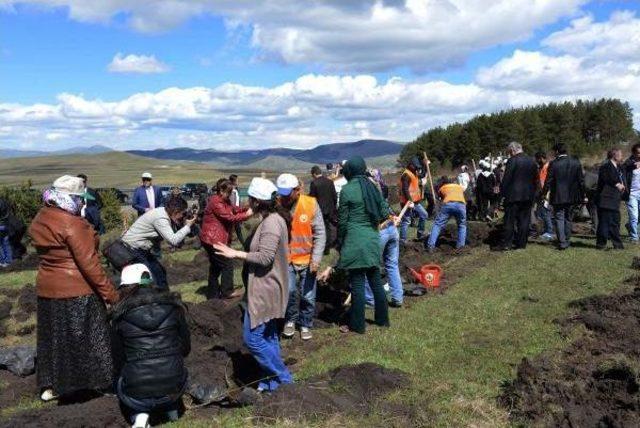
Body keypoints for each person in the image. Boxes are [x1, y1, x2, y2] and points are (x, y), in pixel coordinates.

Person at [28, 175, 120, 402]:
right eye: (80, 199)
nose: (83, 204)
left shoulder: (42, 216)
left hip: (47, 287)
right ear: (69, 198)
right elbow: (90, 265)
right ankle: (101, 384)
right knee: (92, 338)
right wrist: (111, 294)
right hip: (77, 289)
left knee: (53, 339)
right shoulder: (74, 224)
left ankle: (51, 386)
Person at [213, 177, 293, 392]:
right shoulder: (271, 219)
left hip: (266, 288)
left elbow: (265, 257)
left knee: (253, 339)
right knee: (268, 335)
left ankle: (284, 378)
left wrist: (235, 253)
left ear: (256, 201)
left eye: (250, 199)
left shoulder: (271, 224)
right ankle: (272, 382)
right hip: (268, 286)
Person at [112, 264, 190, 428]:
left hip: (136, 391)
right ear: (150, 281)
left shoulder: (119, 315)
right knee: (169, 369)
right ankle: (171, 410)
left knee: (123, 379)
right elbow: (185, 348)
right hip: (174, 385)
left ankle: (140, 416)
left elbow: (117, 359)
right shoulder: (174, 307)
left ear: (125, 286)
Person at [335, 156, 389, 334]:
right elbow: (383, 212)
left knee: (357, 283)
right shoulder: (373, 187)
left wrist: (340, 240)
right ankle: (382, 320)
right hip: (372, 238)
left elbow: (342, 221)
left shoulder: (347, 190)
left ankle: (357, 325)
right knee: (375, 281)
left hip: (355, 240)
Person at [277, 173, 326, 341]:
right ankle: (290, 320)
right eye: (281, 193)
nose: (283, 197)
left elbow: (320, 233)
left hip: (308, 259)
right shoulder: (277, 205)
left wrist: (316, 259)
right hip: (286, 259)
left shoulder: (310, 204)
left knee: (308, 295)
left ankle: (305, 323)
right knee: (289, 291)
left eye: (287, 193)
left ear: (297, 191)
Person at [121, 197, 197, 288]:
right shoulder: (161, 218)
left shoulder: (165, 214)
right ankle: (151, 299)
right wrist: (188, 226)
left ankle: (164, 298)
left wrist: (183, 226)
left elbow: (178, 242)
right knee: (147, 278)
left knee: (159, 273)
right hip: (131, 249)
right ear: (175, 211)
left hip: (140, 249)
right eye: (182, 213)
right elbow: (173, 240)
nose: (182, 216)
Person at [200, 178, 253, 299]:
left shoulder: (224, 200)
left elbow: (233, 209)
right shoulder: (216, 202)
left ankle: (212, 294)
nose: (230, 195)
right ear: (221, 190)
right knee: (227, 263)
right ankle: (227, 291)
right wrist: (247, 215)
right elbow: (230, 217)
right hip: (212, 239)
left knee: (215, 267)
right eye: (228, 192)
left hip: (212, 238)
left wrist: (245, 208)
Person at [542, 143, 585, 250]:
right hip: (572, 196)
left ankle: (562, 242)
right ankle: (567, 239)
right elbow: (581, 181)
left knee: (559, 218)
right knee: (568, 218)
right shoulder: (576, 162)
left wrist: (543, 193)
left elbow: (548, 180)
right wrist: (583, 194)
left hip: (558, 195)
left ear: (557, 152)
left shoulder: (554, 164)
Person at [499, 142, 538, 250]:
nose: (509, 154)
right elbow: (536, 179)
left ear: (512, 150)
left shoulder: (512, 160)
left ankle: (507, 244)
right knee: (524, 221)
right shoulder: (532, 161)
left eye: (509, 152)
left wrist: (502, 194)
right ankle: (521, 244)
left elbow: (506, 179)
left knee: (509, 220)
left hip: (513, 195)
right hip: (528, 195)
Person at [426, 177, 467, 252]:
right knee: (462, 225)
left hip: (448, 204)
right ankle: (460, 246)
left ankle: (430, 246)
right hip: (461, 205)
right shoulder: (459, 187)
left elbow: (440, 199)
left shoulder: (442, 188)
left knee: (438, 224)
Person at [595, 148, 626, 250]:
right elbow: (605, 178)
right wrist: (617, 184)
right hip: (606, 199)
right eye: (620, 155)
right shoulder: (606, 166)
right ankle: (601, 244)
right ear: (614, 155)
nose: (622, 157)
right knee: (604, 222)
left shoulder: (619, 167)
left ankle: (618, 245)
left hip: (615, 199)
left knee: (615, 222)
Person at [398, 156, 429, 244]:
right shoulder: (406, 174)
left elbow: (421, 175)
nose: (416, 168)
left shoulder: (413, 172)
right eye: (415, 166)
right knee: (406, 220)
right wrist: (410, 200)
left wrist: (425, 165)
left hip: (415, 201)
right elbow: (405, 189)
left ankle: (420, 233)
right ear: (411, 165)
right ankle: (403, 240)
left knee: (424, 214)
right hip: (407, 202)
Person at [309, 165, 338, 254]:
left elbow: (312, 198)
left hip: (319, 209)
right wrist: (333, 206)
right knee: (329, 228)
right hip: (330, 208)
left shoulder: (314, 183)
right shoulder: (330, 182)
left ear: (314, 174)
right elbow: (334, 196)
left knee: (321, 230)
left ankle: (324, 248)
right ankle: (329, 246)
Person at [534, 152, 554, 240]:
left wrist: (545, 193)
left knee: (546, 212)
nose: (537, 161)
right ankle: (544, 230)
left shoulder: (549, 167)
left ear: (542, 158)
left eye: (538, 159)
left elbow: (548, 182)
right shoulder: (541, 167)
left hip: (546, 193)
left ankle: (549, 231)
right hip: (540, 193)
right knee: (541, 213)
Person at [623, 143, 640, 244]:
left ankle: (629, 226)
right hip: (632, 194)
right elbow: (622, 169)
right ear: (633, 153)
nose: (639, 155)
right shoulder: (629, 163)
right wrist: (633, 166)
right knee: (634, 216)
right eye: (637, 153)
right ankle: (634, 237)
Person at [229, 174, 245, 245]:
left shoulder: (236, 190)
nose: (238, 181)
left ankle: (244, 244)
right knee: (231, 230)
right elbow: (232, 203)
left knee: (238, 230)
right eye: (237, 180)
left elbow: (238, 202)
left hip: (237, 213)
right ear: (233, 181)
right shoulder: (231, 191)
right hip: (232, 213)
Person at [0, 198, 13, 268]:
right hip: (6, 225)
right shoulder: (4, 201)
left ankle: (2, 261)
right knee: (6, 243)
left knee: (0, 244)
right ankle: (8, 261)